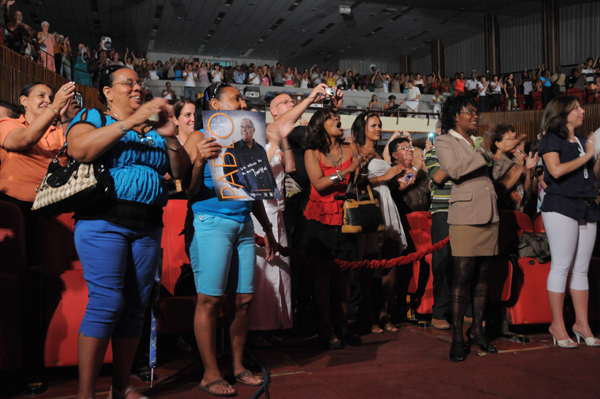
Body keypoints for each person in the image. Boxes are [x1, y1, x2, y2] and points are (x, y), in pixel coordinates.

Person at [65, 65, 191, 399]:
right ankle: (85, 394)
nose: (137, 88)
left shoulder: (152, 132)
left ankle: (120, 388)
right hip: (103, 221)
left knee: (136, 307)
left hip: (147, 225)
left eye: (139, 83)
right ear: (107, 91)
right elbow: (80, 150)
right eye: (128, 83)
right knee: (107, 302)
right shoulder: (95, 116)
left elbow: (180, 173)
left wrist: (169, 135)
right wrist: (128, 124)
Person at [183, 82, 276, 396]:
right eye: (235, 98)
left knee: (244, 301)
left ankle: (236, 366)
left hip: (244, 224)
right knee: (209, 300)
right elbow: (186, 189)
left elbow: (256, 189)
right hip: (211, 222)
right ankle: (210, 373)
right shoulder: (198, 136)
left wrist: (268, 228)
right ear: (217, 105)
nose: (242, 102)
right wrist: (198, 160)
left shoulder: (246, 139)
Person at [436, 96, 517, 362]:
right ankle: (458, 336)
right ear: (454, 115)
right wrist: (483, 151)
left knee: (483, 277)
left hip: (488, 212)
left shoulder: (476, 143)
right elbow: (456, 170)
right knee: (462, 278)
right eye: (469, 112)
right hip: (466, 215)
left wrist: (503, 156)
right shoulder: (445, 141)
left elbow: (490, 176)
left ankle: (478, 331)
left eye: (475, 112)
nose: (475, 116)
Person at [538, 96, 600, 348]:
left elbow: (590, 176)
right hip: (561, 204)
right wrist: (589, 155)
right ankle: (557, 324)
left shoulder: (585, 142)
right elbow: (556, 171)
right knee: (562, 266)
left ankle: (581, 324)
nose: (582, 111)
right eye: (575, 108)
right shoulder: (551, 140)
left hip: (586, 204)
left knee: (581, 268)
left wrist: (595, 159)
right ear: (562, 113)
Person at [303, 108, 364, 349]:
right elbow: (318, 184)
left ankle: (343, 324)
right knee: (323, 275)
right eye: (330, 118)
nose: (337, 119)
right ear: (320, 125)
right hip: (320, 217)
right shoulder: (312, 152)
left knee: (345, 275)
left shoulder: (352, 149)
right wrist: (347, 171)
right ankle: (324, 327)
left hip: (346, 216)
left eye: (337, 117)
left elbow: (356, 182)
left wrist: (359, 168)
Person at [352, 113, 407, 335]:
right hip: (370, 203)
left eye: (379, 125)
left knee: (391, 259)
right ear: (362, 127)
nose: (378, 128)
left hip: (387, 202)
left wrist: (396, 179)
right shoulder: (355, 149)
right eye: (373, 125)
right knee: (370, 260)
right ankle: (370, 314)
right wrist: (384, 178)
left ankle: (385, 311)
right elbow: (356, 182)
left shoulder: (378, 152)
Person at [0, 81, 74, 218]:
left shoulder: (59, 131)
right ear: (24, 100)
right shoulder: (8, 124)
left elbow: (76, 153)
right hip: (13, 204)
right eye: (41, 95)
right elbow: (25, 140)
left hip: (55, 207)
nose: (47, 101)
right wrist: (55, 105)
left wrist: (65, 118)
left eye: (51, 99)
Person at [228, 118, 277, 198]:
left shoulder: (260, 148)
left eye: (247, 127)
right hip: (249, 197)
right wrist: (242, 190)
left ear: (253, 130)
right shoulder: (231, 149)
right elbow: (228, 173)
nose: (244, 129)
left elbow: (266, 168)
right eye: (241, 127)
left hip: (270, 194)